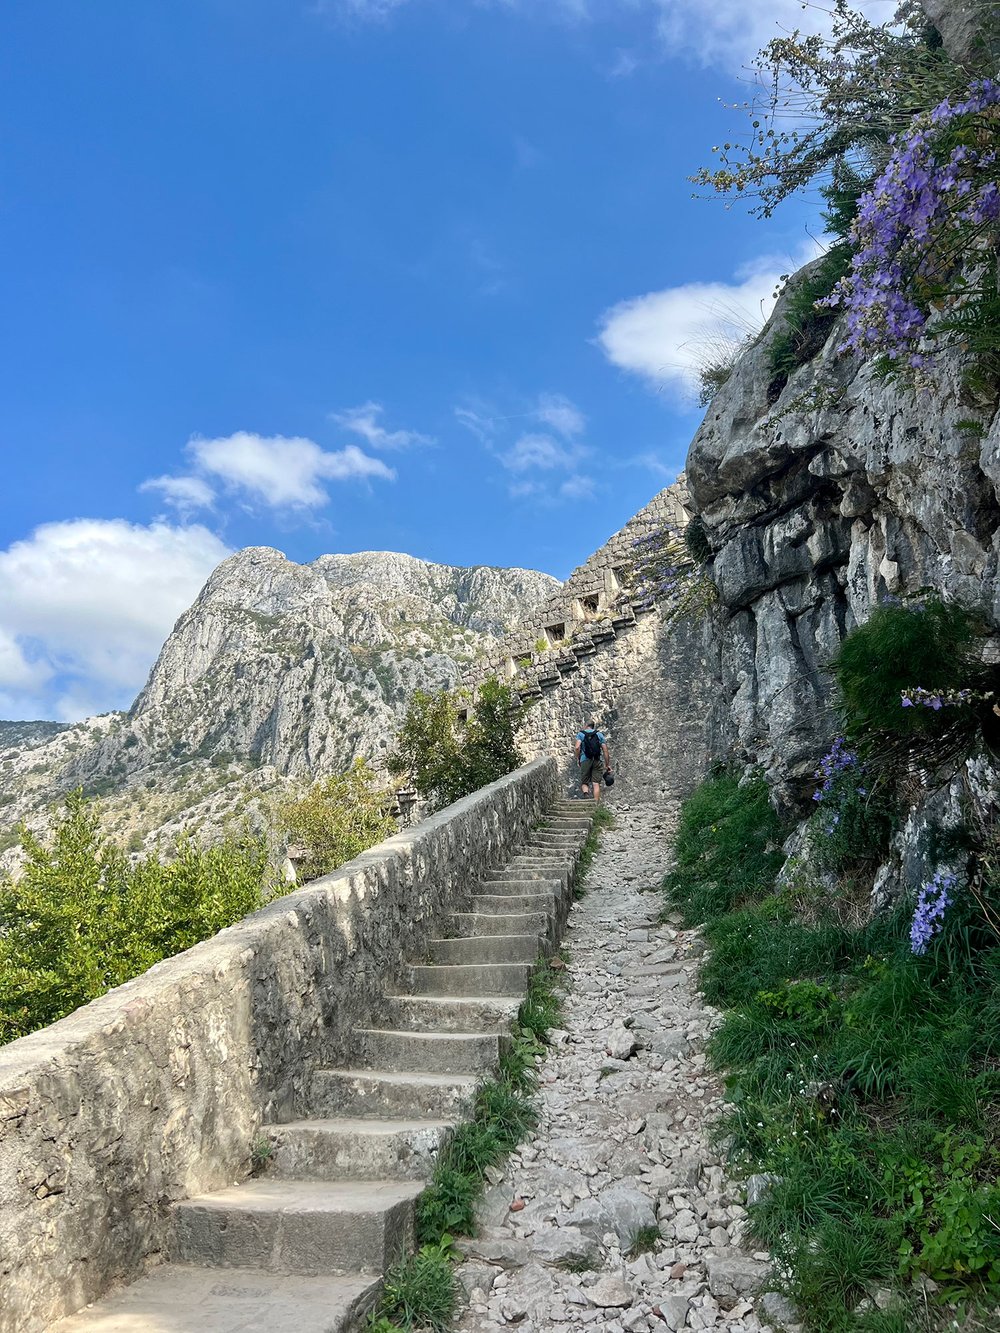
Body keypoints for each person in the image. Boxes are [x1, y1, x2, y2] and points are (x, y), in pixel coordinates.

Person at [575, 721, 612, 802]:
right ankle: (595, 804)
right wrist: (607, 764)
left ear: (586, 725)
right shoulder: (599, 734)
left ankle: (586, 793)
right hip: (597, 760)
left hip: (585, 759)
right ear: (593, 726)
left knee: (585, 782)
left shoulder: (581, 734)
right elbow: (605, 750)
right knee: (596, 783)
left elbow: (577, 747)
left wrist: (578, 759)